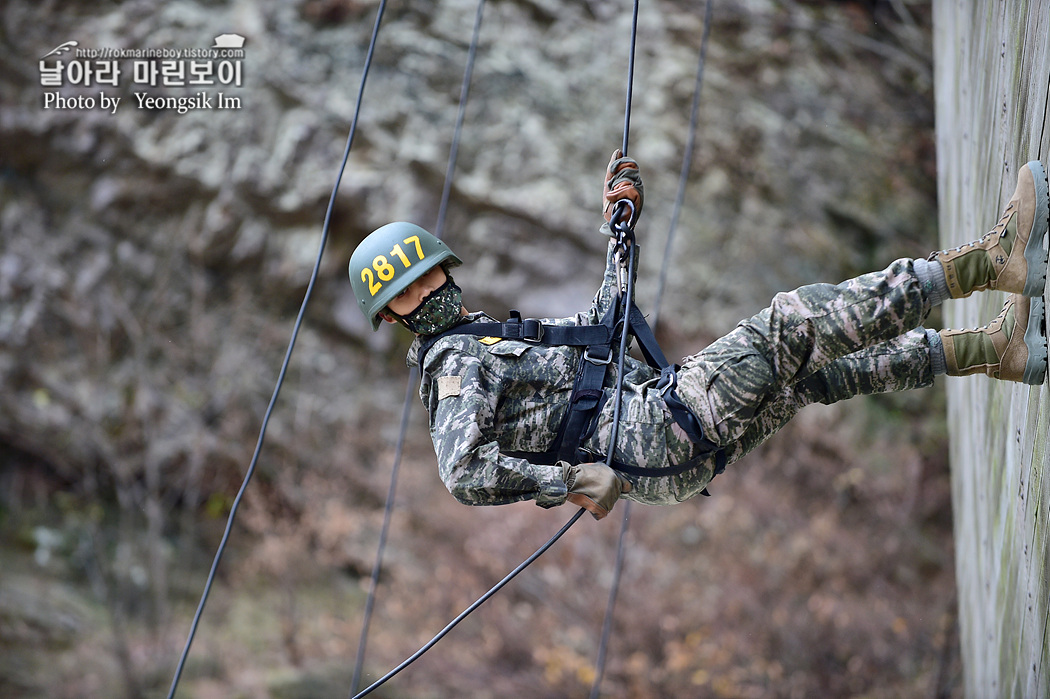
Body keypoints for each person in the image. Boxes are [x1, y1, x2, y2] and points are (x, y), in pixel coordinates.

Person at [348, 153, 1049, 520]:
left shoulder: (488, 340)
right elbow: (462, 473)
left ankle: (993, 350)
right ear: (394, 317)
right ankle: (992, 262)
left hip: (662, 443)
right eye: (406, 294)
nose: (425, 294)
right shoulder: (454, 367)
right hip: (656, 431)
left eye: (425, 276)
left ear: (444, 271)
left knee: (809, 375)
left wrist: (620, 228)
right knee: (791, 325)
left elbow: (607, 328)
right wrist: (563, 481)